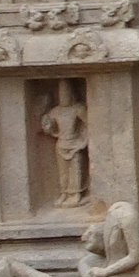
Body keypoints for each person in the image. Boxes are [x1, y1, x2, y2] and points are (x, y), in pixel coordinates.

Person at [40, 80, 89, 208]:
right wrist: (47, 124)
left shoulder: (78, 109)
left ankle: (77, 194)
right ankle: (64, 193)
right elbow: (49, 127)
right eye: (62, 93)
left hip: (75, 143)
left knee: (76, 169)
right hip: (61, 143)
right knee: (63, 171)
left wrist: (83, 142)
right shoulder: (55, 111)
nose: (64, 96)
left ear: (72, 94)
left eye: (67, 93)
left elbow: (89, 125)